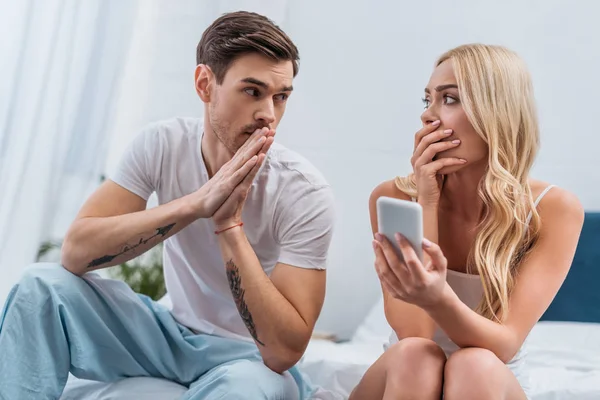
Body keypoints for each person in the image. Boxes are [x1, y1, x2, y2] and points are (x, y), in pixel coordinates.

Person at [0, 11, 335, 400]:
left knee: (240, 390)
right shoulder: (161, 144)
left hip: (247, 359)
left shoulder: (305, 192)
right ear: (205, 84)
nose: (269, 114)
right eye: (252, 91)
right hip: (167, 332)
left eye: (281, 97)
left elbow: (284, 353)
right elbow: (75, 253)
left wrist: (229, 227)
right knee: (40, 287)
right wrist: (194, 205)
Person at [350, 44, 584, 400]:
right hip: (406, 375)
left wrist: (438, 297)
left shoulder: (552, 209)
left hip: (490, 379)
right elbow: (415, 332)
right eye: (427, 100)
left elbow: (504, 345)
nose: (428, 117)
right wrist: (426, 201)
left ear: (497, 112)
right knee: (417, 355)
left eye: (450, 99)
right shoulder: (394, 198)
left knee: (475, 363)